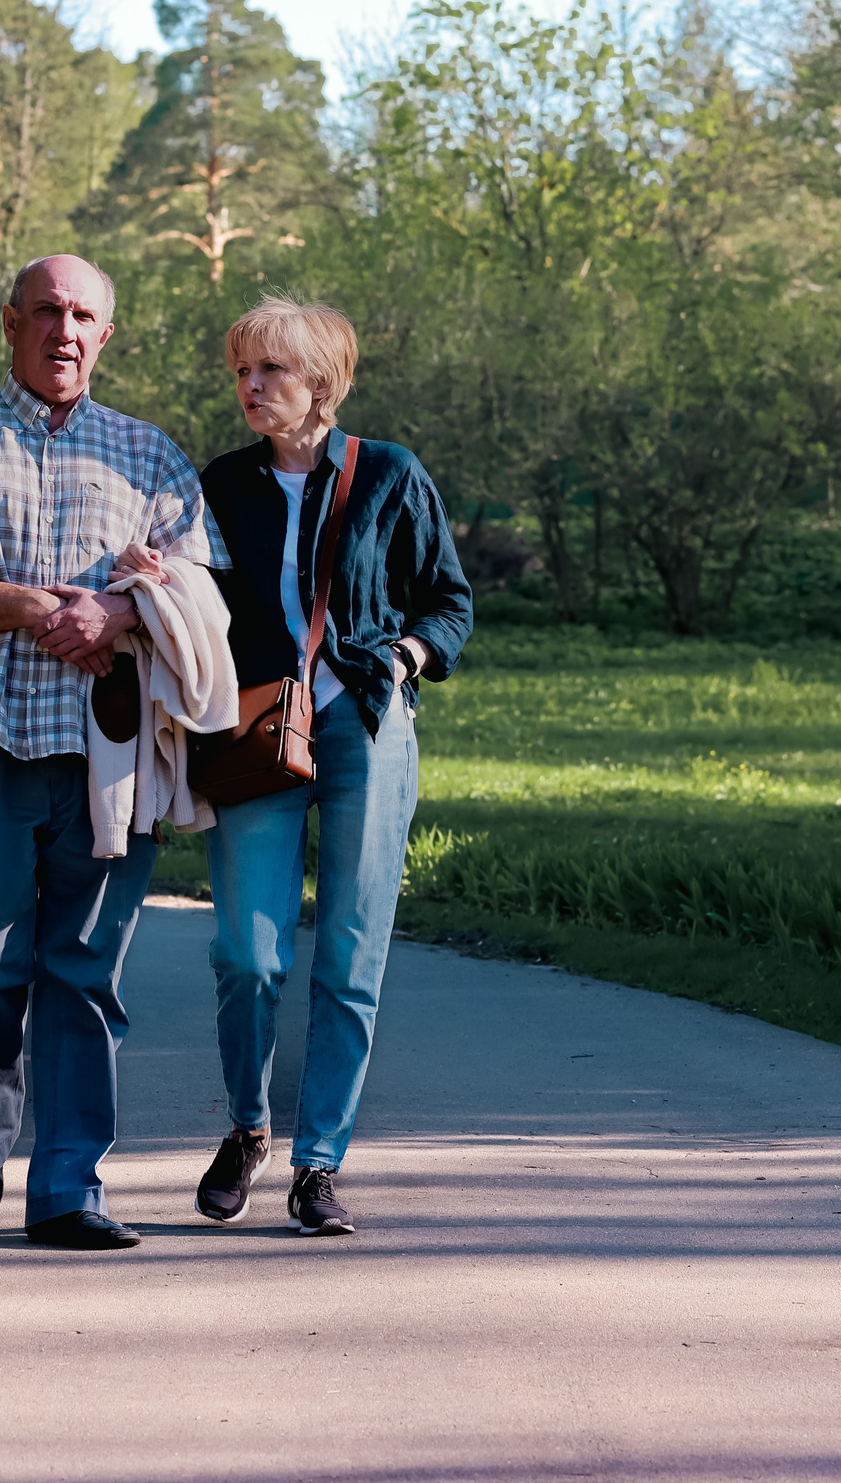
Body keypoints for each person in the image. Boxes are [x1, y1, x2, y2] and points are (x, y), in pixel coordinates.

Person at [0, 254, 225, 1251]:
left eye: (82, 317)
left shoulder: (151, 457)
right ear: (10, 324)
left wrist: (116, 608)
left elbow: (199, 591)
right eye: (46, 312)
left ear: (105, 335)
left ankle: (68, 1189)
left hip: (111, 752)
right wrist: (36, 606)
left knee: (84, 973)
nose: (63, 331)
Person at [190, 297, 471, 1234]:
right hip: (255, 729)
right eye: (242, 372)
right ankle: (247, 1127)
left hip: (369, 726)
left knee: (351, 957)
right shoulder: (218, 484)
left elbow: (449, 603)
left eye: (270, 370)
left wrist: (402, 657)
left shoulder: (389, 474)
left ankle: (320, 1164)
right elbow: (193, 598)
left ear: (322, 382)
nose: (251, 387)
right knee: (247, 954)